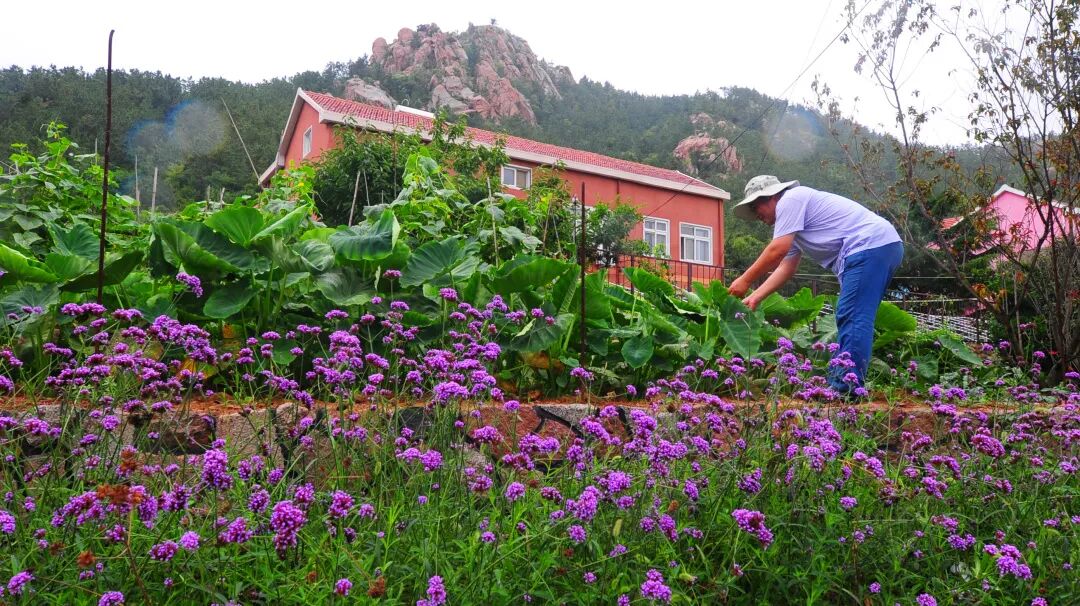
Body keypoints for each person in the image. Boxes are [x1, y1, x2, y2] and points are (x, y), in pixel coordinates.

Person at [726, 175, 903, 397]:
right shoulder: (793, 225)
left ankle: (845, 389)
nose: (756, 214)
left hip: (868, 245)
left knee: (853, 316)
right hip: (879, 246)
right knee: (852, 316)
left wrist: (745, 280)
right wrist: (755, 297)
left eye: (755, 206)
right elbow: (786, 267)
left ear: (771, 197)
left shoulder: (791, 199)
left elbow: (776, 250)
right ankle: (844, 384)